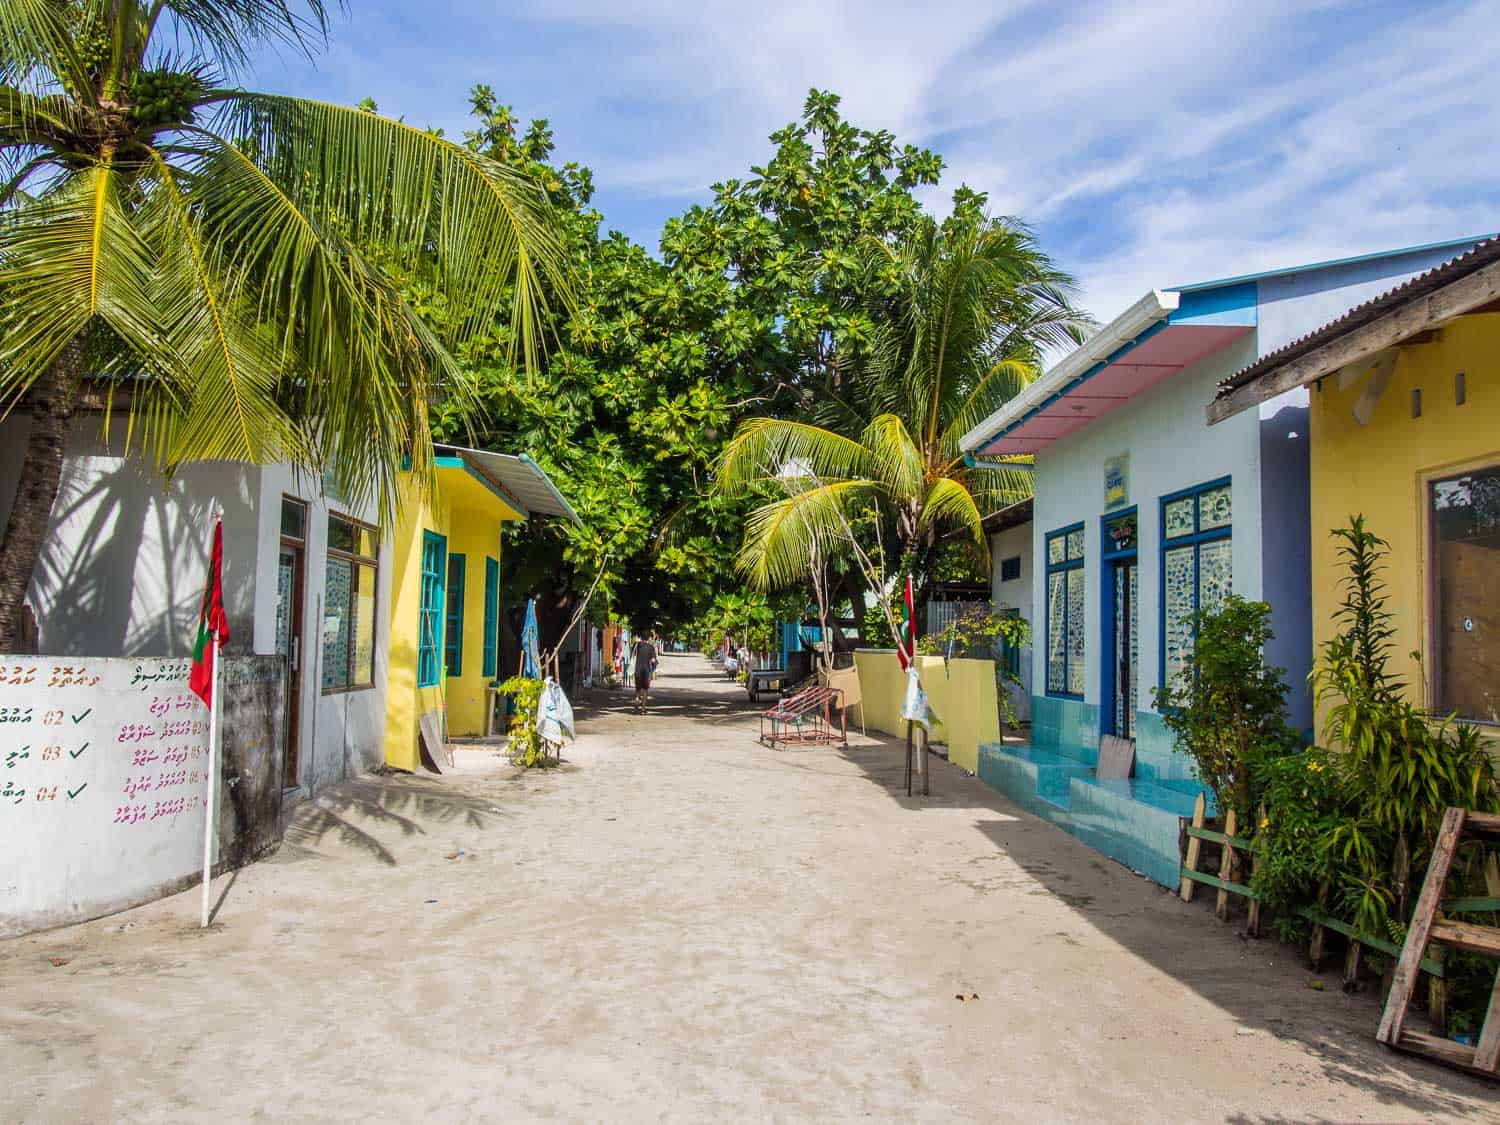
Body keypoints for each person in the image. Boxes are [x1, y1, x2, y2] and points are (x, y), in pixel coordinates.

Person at [632, 631, 658, 714]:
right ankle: (643, 709)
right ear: (648, 638)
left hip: (637, 670)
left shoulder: (638, 645)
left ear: (641, 637)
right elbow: (653, 660)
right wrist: (654, 667)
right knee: (645, 690)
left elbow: (633, 655)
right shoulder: (651, 647)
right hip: (646, 671)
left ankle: (636, 705)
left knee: (638, 690)